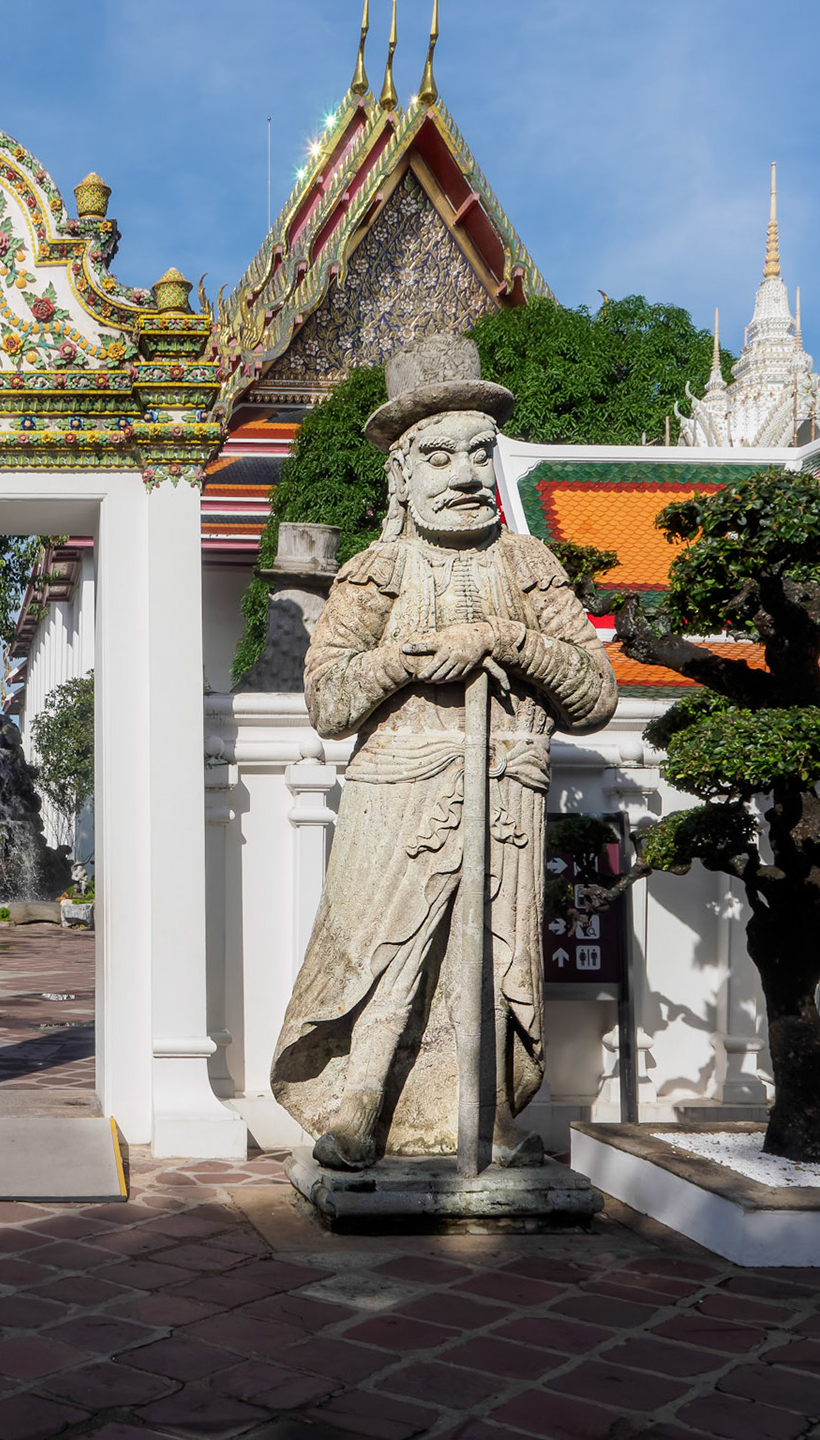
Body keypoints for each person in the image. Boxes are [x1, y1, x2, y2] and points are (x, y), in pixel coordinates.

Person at [270, 335, 617, 1171]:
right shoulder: (377, 570)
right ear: (401, 473)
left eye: (480, 454)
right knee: (384, 954)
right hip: (398, 793)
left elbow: (595, 695)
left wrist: (504, 639)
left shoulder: (528, 565)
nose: (465, 475)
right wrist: (408, 658)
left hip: (504, 788)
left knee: (495, 958)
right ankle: (361, 1104)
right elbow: (328, 702)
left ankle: (485, 1116)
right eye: (439, 457)